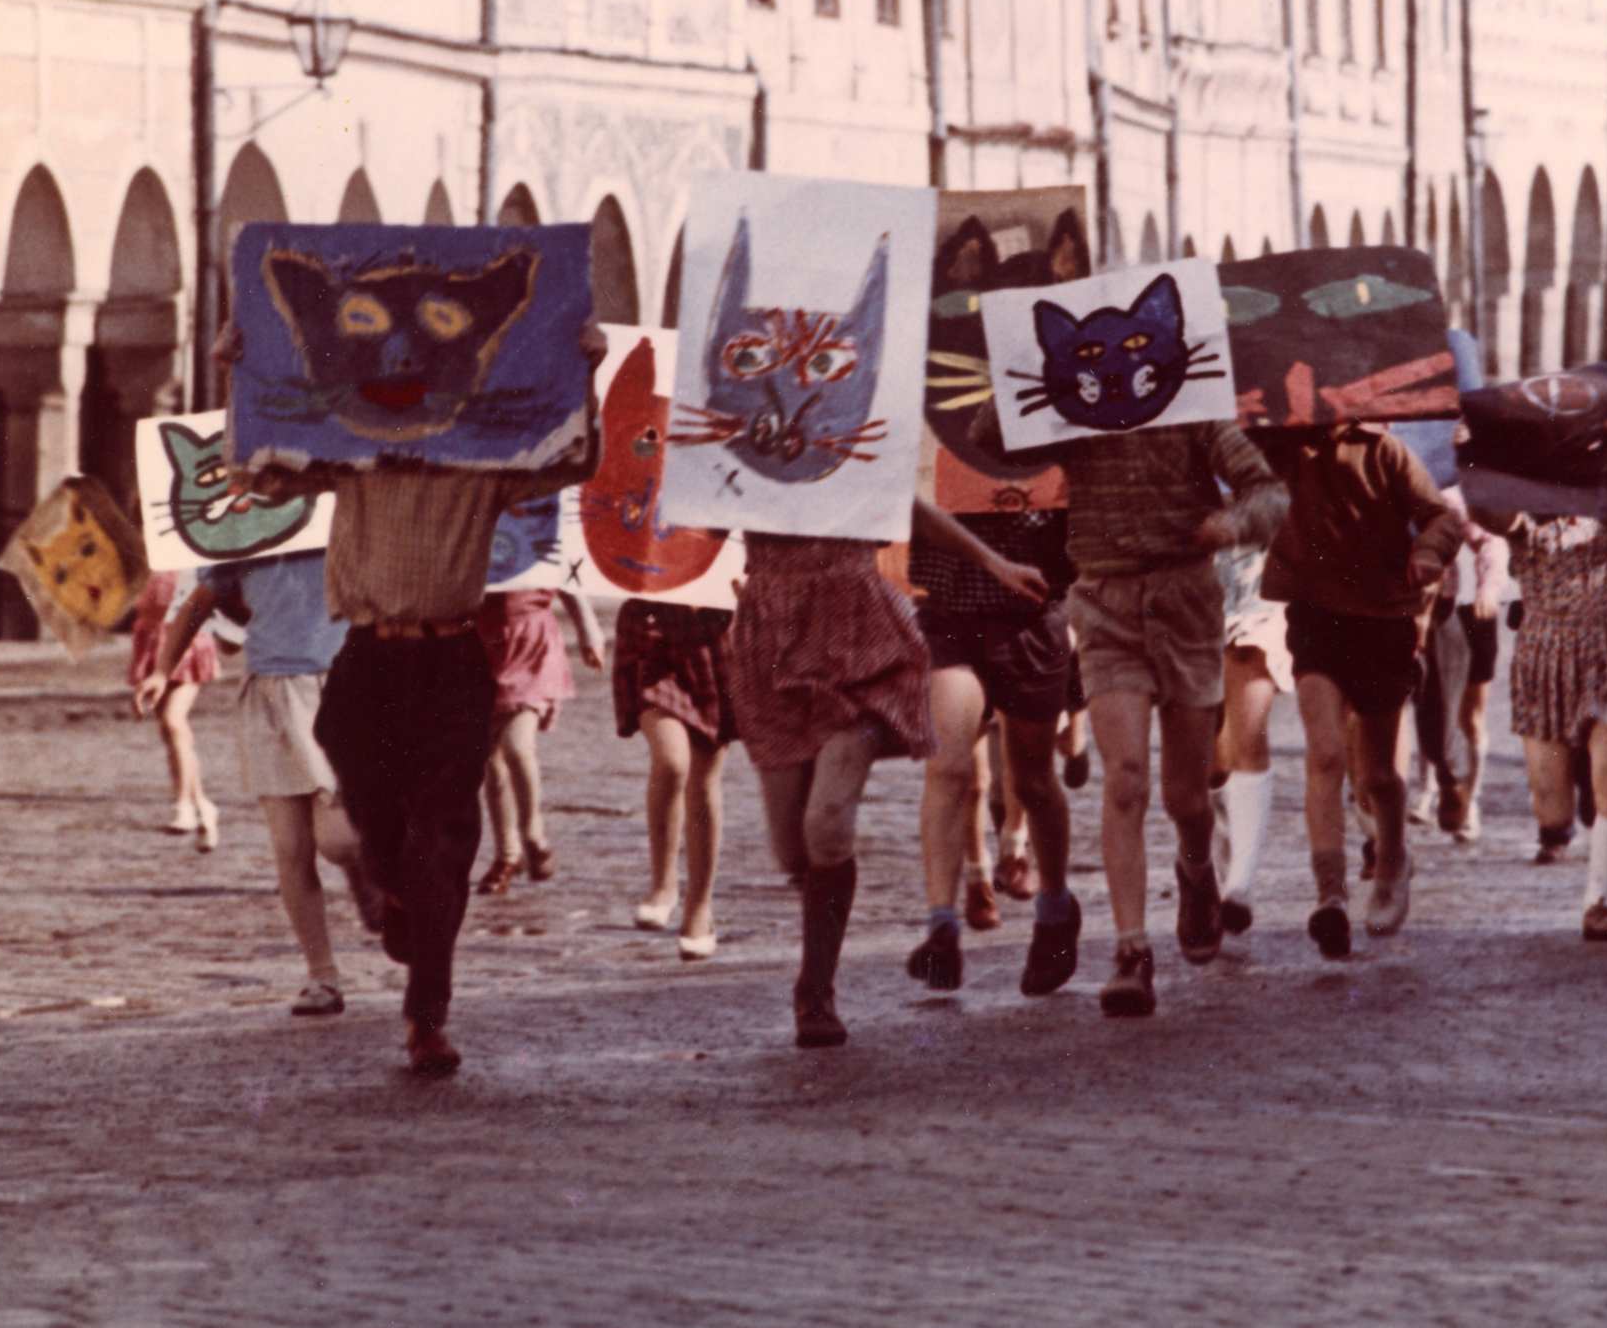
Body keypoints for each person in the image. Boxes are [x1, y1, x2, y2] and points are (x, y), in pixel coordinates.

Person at [234, 326, 608, 1078]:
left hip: (449, 662)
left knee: (443, 843)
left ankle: (426, 1017)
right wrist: (239, 368)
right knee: (378, 825)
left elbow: (576, 460)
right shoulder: (352, 459)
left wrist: (585, 370)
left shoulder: (480, 467)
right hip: (368, 658)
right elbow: (254, 477)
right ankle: (391, 883)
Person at [729, 501, 1040, 1047]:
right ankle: (820, 924)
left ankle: (816, 989)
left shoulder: (855, 424)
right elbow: (701, 515)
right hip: (771, 637)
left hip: (856, 638)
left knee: (826, 822)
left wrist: (993, 562)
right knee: (791, 848)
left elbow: (905, 499)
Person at [1054, 422, 1286, 1017]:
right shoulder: (1072, 401)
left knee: (1187, 794)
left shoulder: (1195, 412)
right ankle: (1131, 949)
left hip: (1186, 600)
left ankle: (1197, 870)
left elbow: (1268, 490)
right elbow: (995, 441)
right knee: (1125, 777)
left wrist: (1235, 522)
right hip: (1105, 602)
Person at [139, 550, 376, 1016]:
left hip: (339, 687)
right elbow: (200, 603)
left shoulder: (342, 527)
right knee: (290, 846)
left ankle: (364, 873)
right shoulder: (245, 542)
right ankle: (322, 975)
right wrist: (163, 670)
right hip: (269, 694)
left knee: (339, 841)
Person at [1260, 423, 1464, 957]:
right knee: (1325, 754)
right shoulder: (1281, 442)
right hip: (1315, 615)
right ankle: (1330, 894)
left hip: (1382, 617)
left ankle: (1393, 857)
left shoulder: (1383, 448)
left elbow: (1442, 515)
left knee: (1377, 772)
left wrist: (1429, 554)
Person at [907, 499, 1084, 1000]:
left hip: (1029, 616)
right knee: (948, 767)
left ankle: (1054, 910)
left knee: (1032, 778)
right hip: (949, 614)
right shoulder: (930, 425)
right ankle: (942, 924)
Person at [1498, 514, 1607, 941]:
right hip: (1542, 653)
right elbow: (1493, 512)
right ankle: (1563, 834)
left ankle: (1598, 902)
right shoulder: (1523, 504)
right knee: (1552, 811)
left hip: (1604, 646)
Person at [615, 598, 734, 959]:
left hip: (713, 630)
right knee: (671, 760)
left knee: (704, 779)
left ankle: (699, 907)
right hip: (651, 627)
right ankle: (663, 884)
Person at [1413, 492, 1507, 845]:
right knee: (1428, 703)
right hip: (1426, 613)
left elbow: (1491, 542)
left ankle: (1472, 799)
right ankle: (1428, 788)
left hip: (1471, 613)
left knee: (1470, 715)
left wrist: (1488, 589)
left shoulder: (1455, 495)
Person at [1209, 539, 1288, 940]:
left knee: (1249, 729)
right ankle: (1212, 868)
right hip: (1193, 579)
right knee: (1209, 751)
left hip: (1260, 580)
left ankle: (1239, 884)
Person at [475, 587, 573, 895]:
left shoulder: (540, 538)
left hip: (531, 645)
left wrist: (589, 630)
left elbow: (572, 580)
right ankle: (507, 855)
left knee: (518, 746)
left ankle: (533, 834)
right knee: (492, 761)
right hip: (484, 645)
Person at [124, 568, 224, 849]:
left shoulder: (188, 556)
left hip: (187, 641)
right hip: (152, 642)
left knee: (174, 720)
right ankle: (201, 804)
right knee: (170, 734)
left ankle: (183, 805)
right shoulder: (144, 559)